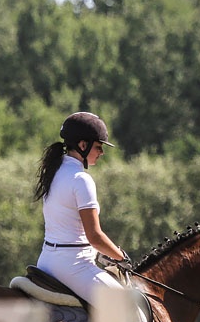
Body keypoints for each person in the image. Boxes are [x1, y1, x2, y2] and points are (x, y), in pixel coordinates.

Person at [34, 111, 130, 304]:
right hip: (74, 266)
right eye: (98, 146)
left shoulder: (54, 171)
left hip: (46, 262)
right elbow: (94, 236)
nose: (102, 152)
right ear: (83, 145)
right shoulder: (81, 179)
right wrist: (121, 258)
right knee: (128, 308)